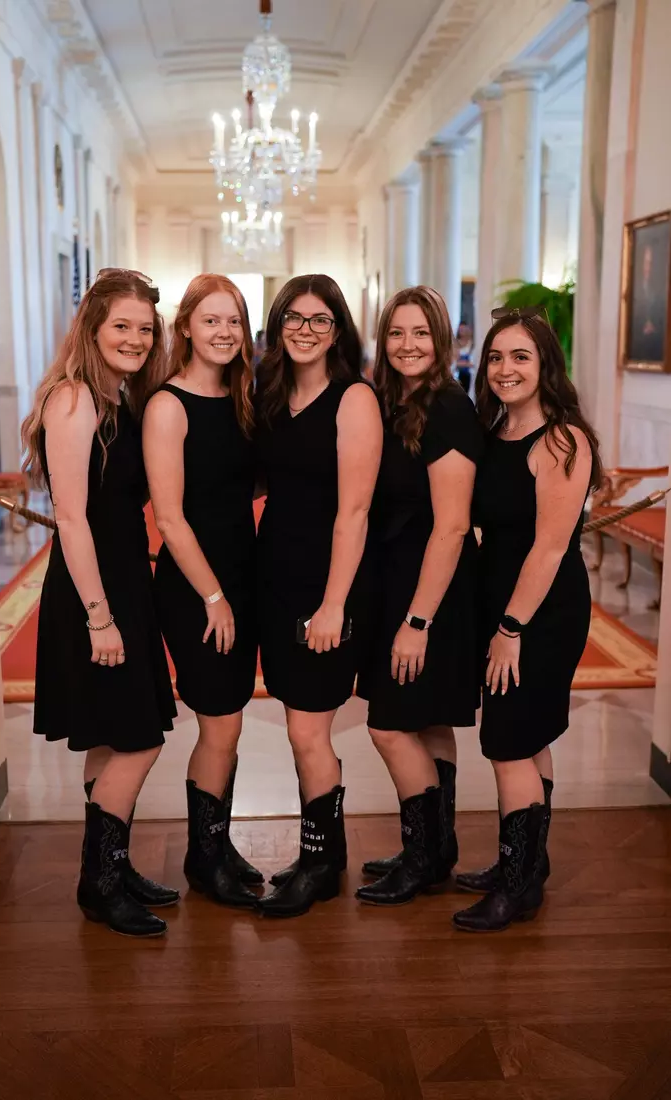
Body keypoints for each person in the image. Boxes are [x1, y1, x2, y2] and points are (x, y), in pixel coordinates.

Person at [21, 269, 178, 938]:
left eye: (145, 329)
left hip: (123, 584)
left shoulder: (118, 398)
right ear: (92, 329)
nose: (136, 339)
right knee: (139, 740)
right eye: (122, 326)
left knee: (113, 736)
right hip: (95, 592)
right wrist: (100, 617)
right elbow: (73, 518)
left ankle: (114, 863)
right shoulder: (75, 399)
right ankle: (98, 879)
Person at [452, 305, 602, 933]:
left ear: (546, 365)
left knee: (510, 742)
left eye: (521, 357)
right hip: (505, 602)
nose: (505, 369)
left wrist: (510, 630)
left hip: (539, 612)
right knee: (529, 736)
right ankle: (527, 865)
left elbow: (548, 547)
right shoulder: (496, 432)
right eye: (496, 357)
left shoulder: (562, 440)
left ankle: (516, 887)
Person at [255, 274, 382, 918]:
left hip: (324, 588)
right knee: (295, 723)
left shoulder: (353, 398)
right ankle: (317, 855)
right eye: (294, 318)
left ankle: (323, 861)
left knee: (309, 729)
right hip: (274, 582)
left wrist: (334, 604)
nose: (306, 329)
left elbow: (354, 511)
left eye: (320, 319)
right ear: (278, 326)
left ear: (338, 330)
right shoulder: (272, 393)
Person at [355, 287, 483, 906]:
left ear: (441, 341)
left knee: (388, 726)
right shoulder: (389, 403)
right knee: (427, 722)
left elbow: (452, 524)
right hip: (395, 579)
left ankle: (426, 851)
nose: (408, 346)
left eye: (420, 334)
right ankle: (433, 848)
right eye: (397, 334)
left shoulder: (450, 410)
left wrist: (418, 621)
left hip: (431, 592)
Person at [143, 274, 261, 910]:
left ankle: (216, 844)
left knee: (230, 722)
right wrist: (214, 597)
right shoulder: (168, 405)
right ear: (185, 326)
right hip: (197, 590)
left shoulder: (242, 398)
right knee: (218, 724)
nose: (223, 332)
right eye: (211, 320)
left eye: (234, 321)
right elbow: (170, 518)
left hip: (240, 582)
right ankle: (202, 858)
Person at [455, 321, 474, 394]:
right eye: (460, 330)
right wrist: (464, 364)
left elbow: (473, 362)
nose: (462, 331)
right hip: (458, 374)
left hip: (469, 374)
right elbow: (454, 362)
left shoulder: (472, 342)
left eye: (463, 329)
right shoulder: (456, 343)